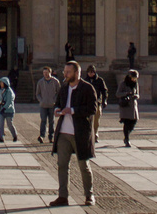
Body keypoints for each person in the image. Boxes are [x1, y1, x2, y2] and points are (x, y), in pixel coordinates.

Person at [49, 60, 96, 208]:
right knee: (62, 165)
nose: (65, 74)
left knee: (84, 165)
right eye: (64, 72)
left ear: (77, 73)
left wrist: (73, 110)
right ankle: (63, 196)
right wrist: (57, 109)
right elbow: (58, 103)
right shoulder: (63, 88)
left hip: (80, 133)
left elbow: (92, 109)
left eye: (68, 72)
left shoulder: (87, 88)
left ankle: (89, 195)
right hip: (63, 132)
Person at [84, 65, 108, 144]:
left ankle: (95, 134)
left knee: (96, 120)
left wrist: (104, 100)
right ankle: (89, 135)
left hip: (97, 102)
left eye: (92, 72)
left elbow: (104, 91)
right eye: (89, 72)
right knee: (88, 120)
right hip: (87, 103)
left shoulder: (100, 80)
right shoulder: (85, 80)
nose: (91, 74)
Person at [36, 66, 60, 142]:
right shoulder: (40, 82)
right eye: (44, 73)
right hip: (43, 105)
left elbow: (59, 93)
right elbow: (37, 93)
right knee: (43, 121)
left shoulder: (55, 81)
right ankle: (42, 136)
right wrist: (41, 100)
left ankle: (51, 136)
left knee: (51, 121)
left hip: (52, 105)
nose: (45, 74)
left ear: (50, 72)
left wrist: (55, 100)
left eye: (46, 73)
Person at [118, 70, 140, 147]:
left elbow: (138, 94)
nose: (135, 79)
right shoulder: (123, 84)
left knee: (134, 122)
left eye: (136, 78)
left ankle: (127, 136)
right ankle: (127, 139)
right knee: (127, 123)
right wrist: (126, 94)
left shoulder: (135, 84)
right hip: (126, 106)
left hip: (133, 106)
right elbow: (118, 93)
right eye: (134, 78)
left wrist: (136, 96)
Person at [0, 76, 18, 143]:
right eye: (0, 83)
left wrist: (5, 107)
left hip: (9, 110)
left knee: (9, 124)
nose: (1, 84)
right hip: (1, 110)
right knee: (1, 124)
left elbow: (10, 101)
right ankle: (1, 138)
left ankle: (14, 135)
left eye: (2, 83)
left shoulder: (9, 91)